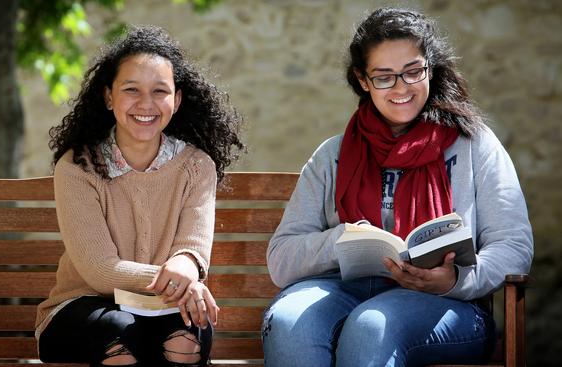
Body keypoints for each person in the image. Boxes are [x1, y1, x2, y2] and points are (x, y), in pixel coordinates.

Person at [262, 7, 533, 367]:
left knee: (372, 324)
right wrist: (340, 240)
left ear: (430, 69)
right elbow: (281, 260)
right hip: (341, 290)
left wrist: (454, 280)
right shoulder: (333, 155)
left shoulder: (474, 146)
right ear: (363, 80)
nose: (401, 88)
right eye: (384, 77)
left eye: (412, 72)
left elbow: (513, 246)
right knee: (288, 321)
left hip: (449, 304)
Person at [35, 25, 244, 367]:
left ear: (176, 101)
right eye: (131, 89)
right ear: (108, 97)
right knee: (117, 331)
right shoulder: (78, 166)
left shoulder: (196, 165)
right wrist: (180, 282)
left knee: (186, 335)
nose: (146, 104)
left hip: (164, 308)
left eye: (159, 91)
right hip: (84, 309)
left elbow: (192, 250)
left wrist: (185, 267)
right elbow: (100, 271)